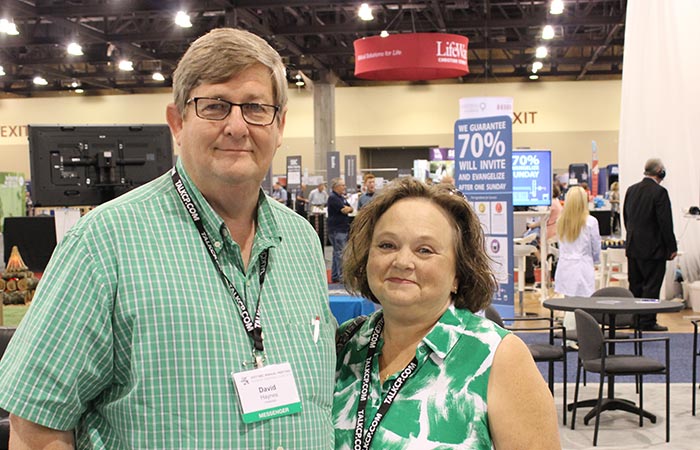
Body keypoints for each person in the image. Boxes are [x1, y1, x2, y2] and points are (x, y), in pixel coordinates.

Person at [0, 28, 335, 449]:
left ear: (279, 124)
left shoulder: (300, 240)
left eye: (255, 107)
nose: (237, 126)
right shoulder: (104, 242)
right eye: (215, 106)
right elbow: (37, 428)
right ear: (177, 122)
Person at [334, 178, 560, 449]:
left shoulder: (498, 357)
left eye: (424, 250)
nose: (402, 261)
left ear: (458, 273)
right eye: (387, 245)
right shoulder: (345, 343)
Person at [624, 158, 677, 331]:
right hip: (653, 249)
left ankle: (635, 318)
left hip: (633, 247)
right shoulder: (660, 192)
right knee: (652, 287)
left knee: (635, 286)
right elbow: (665, 223)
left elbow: (626, 218)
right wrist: (672, 247)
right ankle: (647, 321)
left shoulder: (631, 190)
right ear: (660, 171)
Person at [554, 186, 601, 335]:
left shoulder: (561, 221)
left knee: (569, 304)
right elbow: (595, 246)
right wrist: (596, 261)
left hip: (565, 267)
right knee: (583, 305)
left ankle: (569, 335)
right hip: (582, 267)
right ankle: (579, 336)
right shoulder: (590, 222)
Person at [327, 177, 353, 283]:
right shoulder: (333, 198)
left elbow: (350, 208)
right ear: (336, 187)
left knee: (336, 253)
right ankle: (342, 276)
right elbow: (344, 210)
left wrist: (348, 209)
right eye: (342, 185)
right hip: (337, 229)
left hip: (342, 228)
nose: (344, 187)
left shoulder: (341, 198)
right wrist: (348, 209)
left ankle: (335, 275)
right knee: (341, 253)